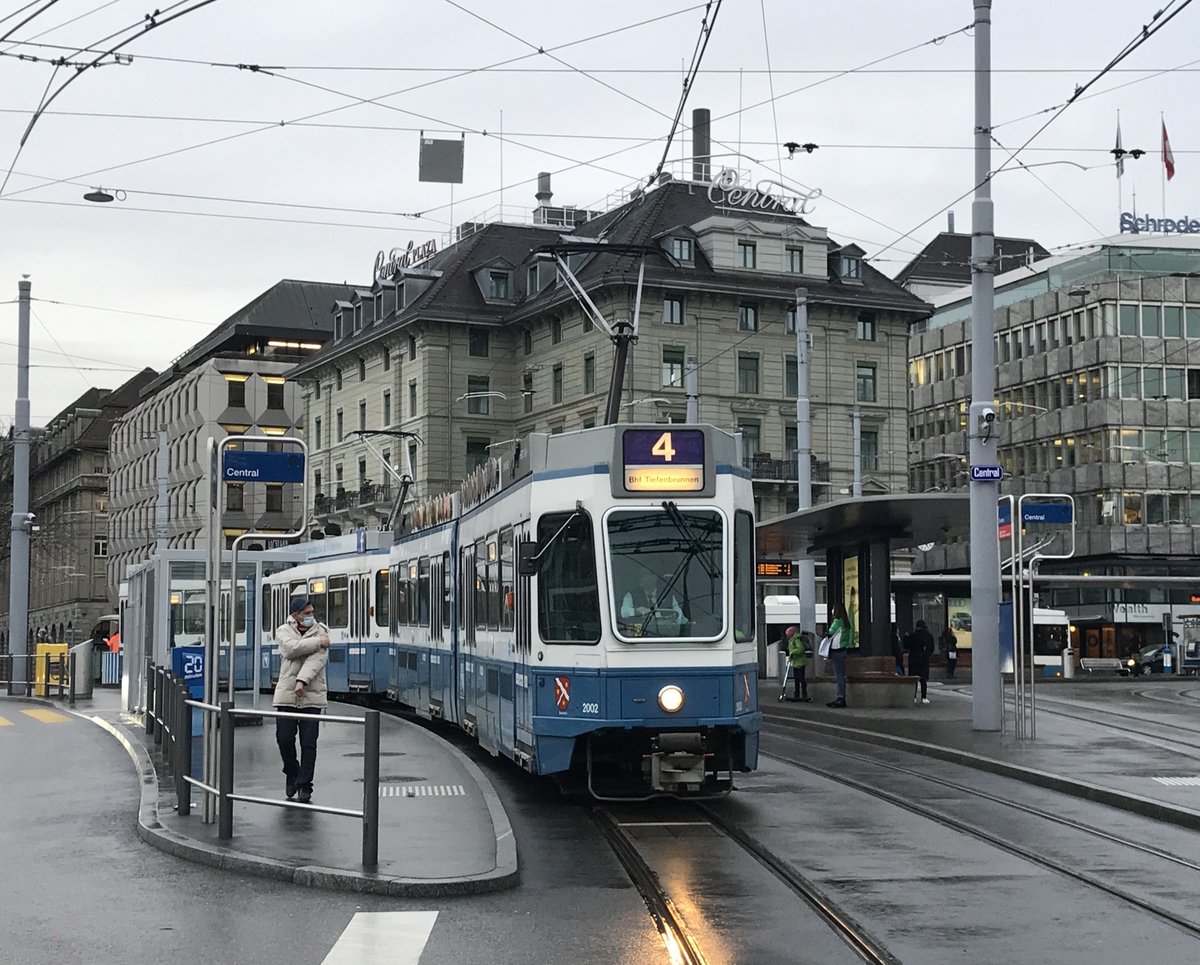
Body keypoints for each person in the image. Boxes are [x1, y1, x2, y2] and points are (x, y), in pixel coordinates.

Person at [273, 596, 330, 803]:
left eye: (312, 612)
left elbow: (317, 659)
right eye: (307, 613)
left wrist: (301, 681)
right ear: (295, 615)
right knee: (284, 739)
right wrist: (317, 643)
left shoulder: (322, 630)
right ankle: (292, 772)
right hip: (286, 695)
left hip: (312, 695)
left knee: (308, 743)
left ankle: (305, 785)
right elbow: (290, 649)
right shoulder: (283, 630)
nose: (311, 616)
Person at [620, 570, 684, 631]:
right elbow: (624, 613)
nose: (644, 578)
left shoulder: (667, 594)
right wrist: (637, 611)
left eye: (648, 575)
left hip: (665, 633)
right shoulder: (631, 595)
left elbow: (679, 615)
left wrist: (677, 622)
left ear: (655, 578)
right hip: (642, 632)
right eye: (641, 576)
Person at [825, 601, 855, 708]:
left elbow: (830, 633)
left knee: (839, 675)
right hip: (843, 650)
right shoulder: (846, 622)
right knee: (840, 674)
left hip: (836, 651)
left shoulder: (837, 621)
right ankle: (840, 697)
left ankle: (840, 697)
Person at [907, 620, 935, 704]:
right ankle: (924, 697)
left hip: (913, 660)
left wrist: (905, 637)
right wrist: (926, 655)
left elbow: (906, 646)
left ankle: (913, 697)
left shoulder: (912, 635)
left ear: (917, 626)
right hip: (924, 660)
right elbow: (931, 649)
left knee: (913, 680)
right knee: (923, 680)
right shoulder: (929, 636)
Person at [784, 626, 811, 702]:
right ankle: (797, 694)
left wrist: (793, 653)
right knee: (797, 679)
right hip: (796, 662)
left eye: (787, 634)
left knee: (801, 679)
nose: (787, 636)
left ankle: (803, 694)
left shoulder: (796, 640)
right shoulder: (792, 640)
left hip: (800, 662)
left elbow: (800, 649)